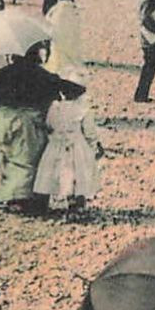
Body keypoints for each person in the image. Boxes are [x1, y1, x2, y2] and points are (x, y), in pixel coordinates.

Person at [0, 44, 83, 213]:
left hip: (2, 119)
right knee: (27, 161)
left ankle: (8, 195)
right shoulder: (40, 74)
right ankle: (24, 199)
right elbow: (68, 89)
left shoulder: (3, 73)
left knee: (7, 157)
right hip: (26, 121)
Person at [31, 65, 101, 211]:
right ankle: (76, 200)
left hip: (56, 143)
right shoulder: (83, 110)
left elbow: (49, 124)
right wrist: (94, 146)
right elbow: (89, 132)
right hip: (76, 144)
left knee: (51, 171)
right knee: (78, 172)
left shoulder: (55, 107)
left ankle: (44, 198)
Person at [44, 0, 83, 73]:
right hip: (72, 42)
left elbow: (48, 26)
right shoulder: (74, 9)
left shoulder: (54, 10)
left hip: (57, 42)